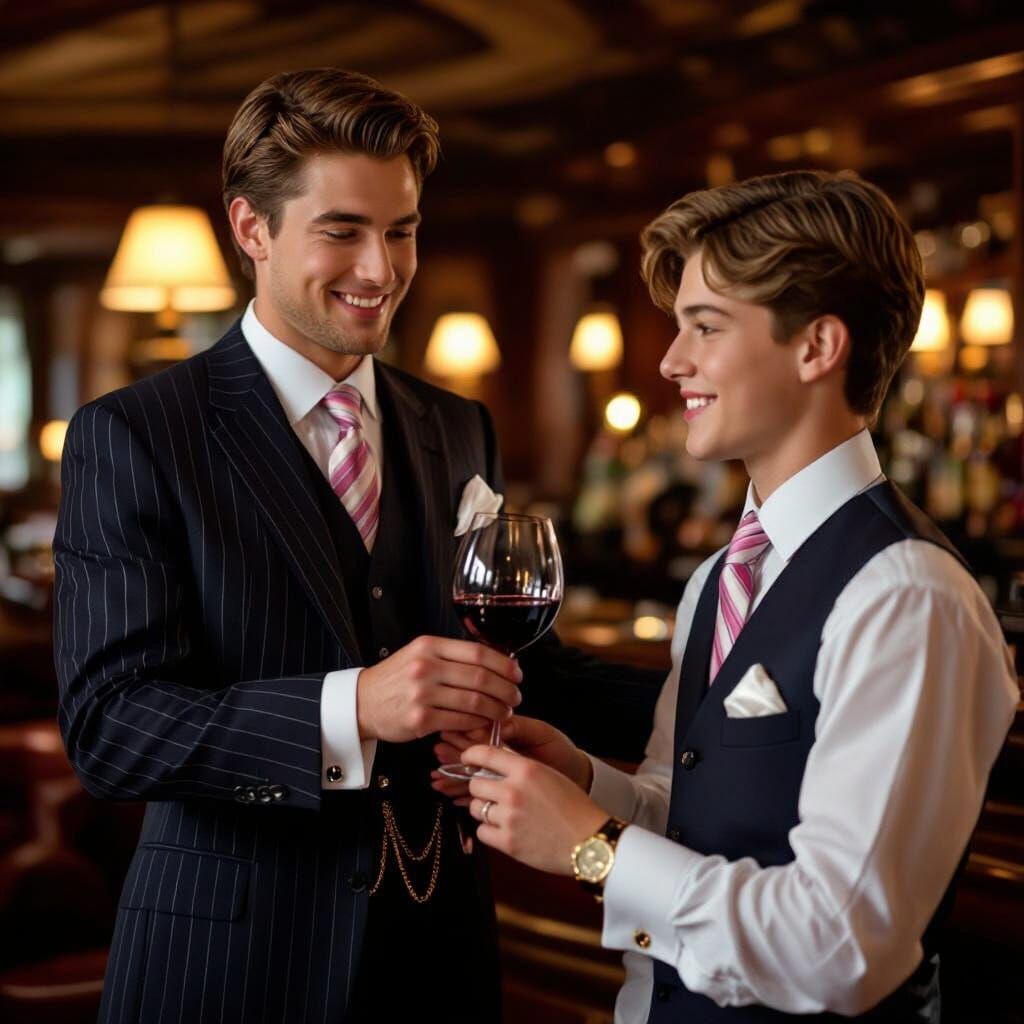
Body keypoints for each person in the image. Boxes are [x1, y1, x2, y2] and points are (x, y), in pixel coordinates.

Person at [53, 68, 659, 1023]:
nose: (380, 270)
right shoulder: (136, 433)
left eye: (402, 231)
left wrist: (715, 705)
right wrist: (353, 707)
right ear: (252, 228)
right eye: (342, 231)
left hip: (442, 952)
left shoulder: (457, 426)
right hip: (227, 965)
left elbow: (519, 665)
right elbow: (111, 729)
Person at [452, 170, 1018, 1022]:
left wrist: (591, 847)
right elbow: (684, 815)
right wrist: (584, 783)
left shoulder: (910, 597)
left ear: (817, 347)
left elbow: (843, 949)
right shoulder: (722, 576)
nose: (671, 360)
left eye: (706, 327)